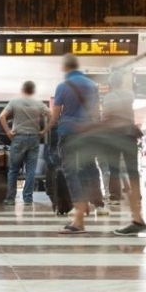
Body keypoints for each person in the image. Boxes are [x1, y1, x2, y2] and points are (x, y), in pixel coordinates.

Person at [49, 54, 107, 235]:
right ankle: (98, 204)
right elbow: (96, 112)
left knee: (71, 172)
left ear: (65, 67)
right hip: (88, 133)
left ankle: (79, 220)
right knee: (89, 169)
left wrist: (47, 128)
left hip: (69, 133)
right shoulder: (92, 85)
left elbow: (55, 115)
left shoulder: (63, 86)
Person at [98, 72, 146, 235]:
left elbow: (107, 116)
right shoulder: (129, 95)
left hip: (114, 135)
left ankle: (115, 196)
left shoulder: (109, 97)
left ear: (111, 83)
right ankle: (137, 195)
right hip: (130, 134)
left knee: (114, 167)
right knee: (133, 168)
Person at [0, 80, 49, 206]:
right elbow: (52, 116)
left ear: (22, 89)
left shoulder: (14, 102)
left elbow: (1, 116)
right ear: (33, 90)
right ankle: (27, 199)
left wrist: (8, 132)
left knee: (13, 170)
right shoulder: (38, 103)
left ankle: (10, 199)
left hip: (18, 138)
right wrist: (44, 131)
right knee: (30, 170)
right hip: (34, 138)